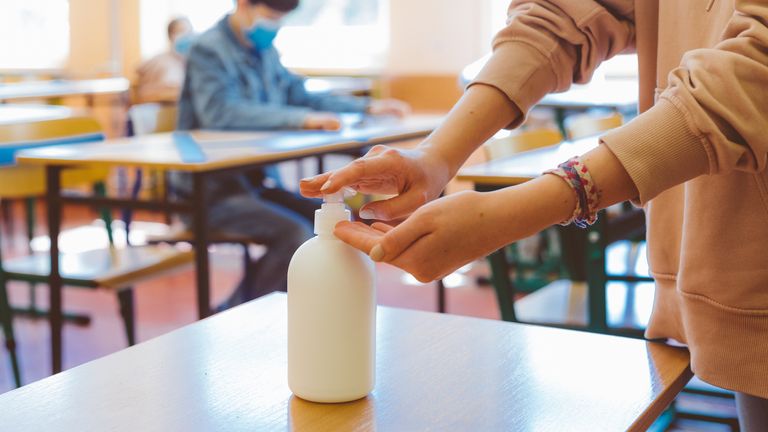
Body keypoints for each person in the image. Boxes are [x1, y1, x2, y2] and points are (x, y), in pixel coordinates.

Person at [301, 0, 768, 429]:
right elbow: (569, 13)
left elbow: (755, 69)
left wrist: (524, 209)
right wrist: (434, 158)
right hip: (722, 263)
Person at [175, 0, 410, 310]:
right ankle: (234, 317)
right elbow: (220, 112)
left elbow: (299, 94)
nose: (273, 27)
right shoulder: (208, 49)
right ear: (244, 4)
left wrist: (365, 107)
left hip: (254, 184)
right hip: (211, 192)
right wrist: (301, 119)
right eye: (270, 17)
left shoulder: (265, 53)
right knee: (295, 234)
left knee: (333, 225)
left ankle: (301, 312)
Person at [135, 17, 194, 104]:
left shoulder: (194, 62)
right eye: (181, 31)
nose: (186, 36)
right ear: (170, 35)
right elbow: (144, 92)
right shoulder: (159, 62)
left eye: (189, 32)